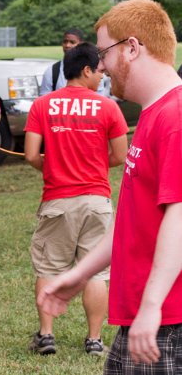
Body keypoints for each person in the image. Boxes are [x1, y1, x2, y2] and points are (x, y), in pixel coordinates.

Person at [39, 0, 182, 375]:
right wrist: (77, 276)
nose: (99, 66)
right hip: (140, 311)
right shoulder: (149, 117)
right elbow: (132, 220)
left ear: (132, 47)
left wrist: (152, 306)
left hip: (169, 314)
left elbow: (180, 217)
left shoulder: (176, 116)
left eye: (103, 52)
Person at [24, 42, 128, 356]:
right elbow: (119, 155)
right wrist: (93, 165)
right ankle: (94, 340)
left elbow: (31, 155)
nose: (102, 76)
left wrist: (53, 167)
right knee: (95, 272)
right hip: (97, 200)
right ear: (85, 70)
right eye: (99, 71)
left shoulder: (42, 105)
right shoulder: (108, 107)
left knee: (49, 268)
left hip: (58, 200)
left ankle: (46, 335)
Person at [39, 28, 107, 97]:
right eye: (65, 42)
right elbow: (44, 98)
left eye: (72, 42)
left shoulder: (94, 71)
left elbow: (100, 98)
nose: (67, 45)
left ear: (81, 44)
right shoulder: (52, 71)